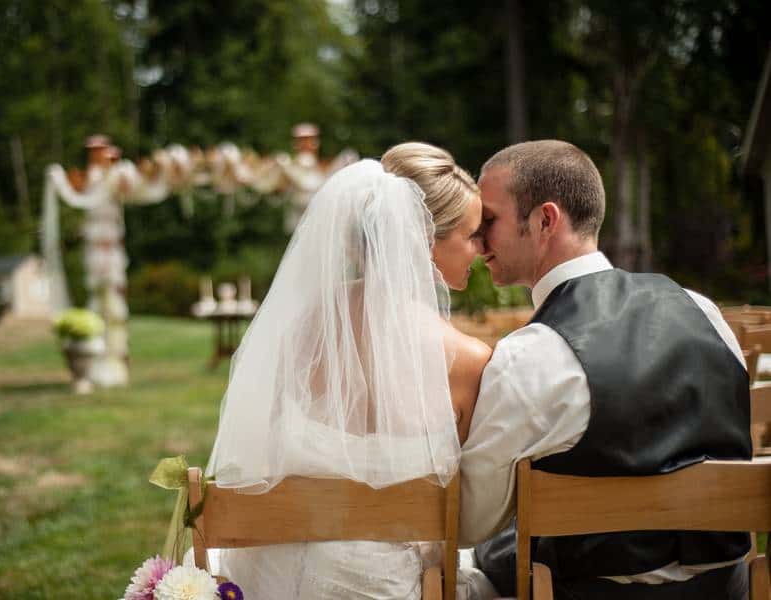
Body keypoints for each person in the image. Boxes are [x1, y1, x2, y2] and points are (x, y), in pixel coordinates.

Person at [460, 140, 752, 599]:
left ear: (545, 220)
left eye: (489, 221)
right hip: (727, 589)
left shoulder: (532, 355)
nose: (477, 240)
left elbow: (472, 519)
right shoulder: (703, 310)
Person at [202, 142, 491, 599]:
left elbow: (263, 455)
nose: (481, 248)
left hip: (271, 574)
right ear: (424, 240)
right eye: (472, 235)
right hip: (385, 585)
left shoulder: (300, 329)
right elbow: (470, 509)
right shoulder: (469, 360)